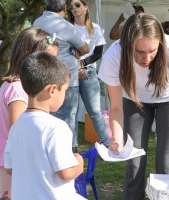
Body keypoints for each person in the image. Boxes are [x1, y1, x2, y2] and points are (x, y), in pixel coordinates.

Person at [98, 13, 169, 200]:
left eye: (152, 51)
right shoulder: (114, 55)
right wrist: (117, 139)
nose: (146, 58)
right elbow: (116, 107)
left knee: (167, 165)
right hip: (134, 100)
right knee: (134, 164)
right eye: (139, 51)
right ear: (127, 45)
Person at [4, 52, 85, 199]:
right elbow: (66, 173)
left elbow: (10, 168)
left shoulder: (16, 127)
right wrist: (79, 163)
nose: (64, 95)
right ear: (52, 90)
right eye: (64, 90)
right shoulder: (56, 127)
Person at [0, 27, 58, 199]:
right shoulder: (18, 90)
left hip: (10, 161)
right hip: (13, 163)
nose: (53, 68)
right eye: (48, 61)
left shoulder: (15, 85)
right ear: (29, 56)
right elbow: (19, 133)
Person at [33, 0, 90, 153]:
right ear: (65, 8)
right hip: (65, 79)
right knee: (68, 117)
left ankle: (49, 149)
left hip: (42, 76)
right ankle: (68, 150)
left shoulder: (36, 22)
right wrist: (74, 50)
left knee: (45, 116)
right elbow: (85, 48)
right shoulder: (65, 26)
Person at [68, 0, 110, 147]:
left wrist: (83, 64)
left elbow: (98, 53)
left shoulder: (95, 28)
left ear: (86, 7)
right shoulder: (68, 28)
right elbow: (65, 52)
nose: (74, 8)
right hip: (70, 72)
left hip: (89, 73)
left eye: (77, 5)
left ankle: (107, 144)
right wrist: (77, 68)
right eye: (72, 6)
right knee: (71, 112)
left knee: (95, 111)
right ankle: (72, 147)